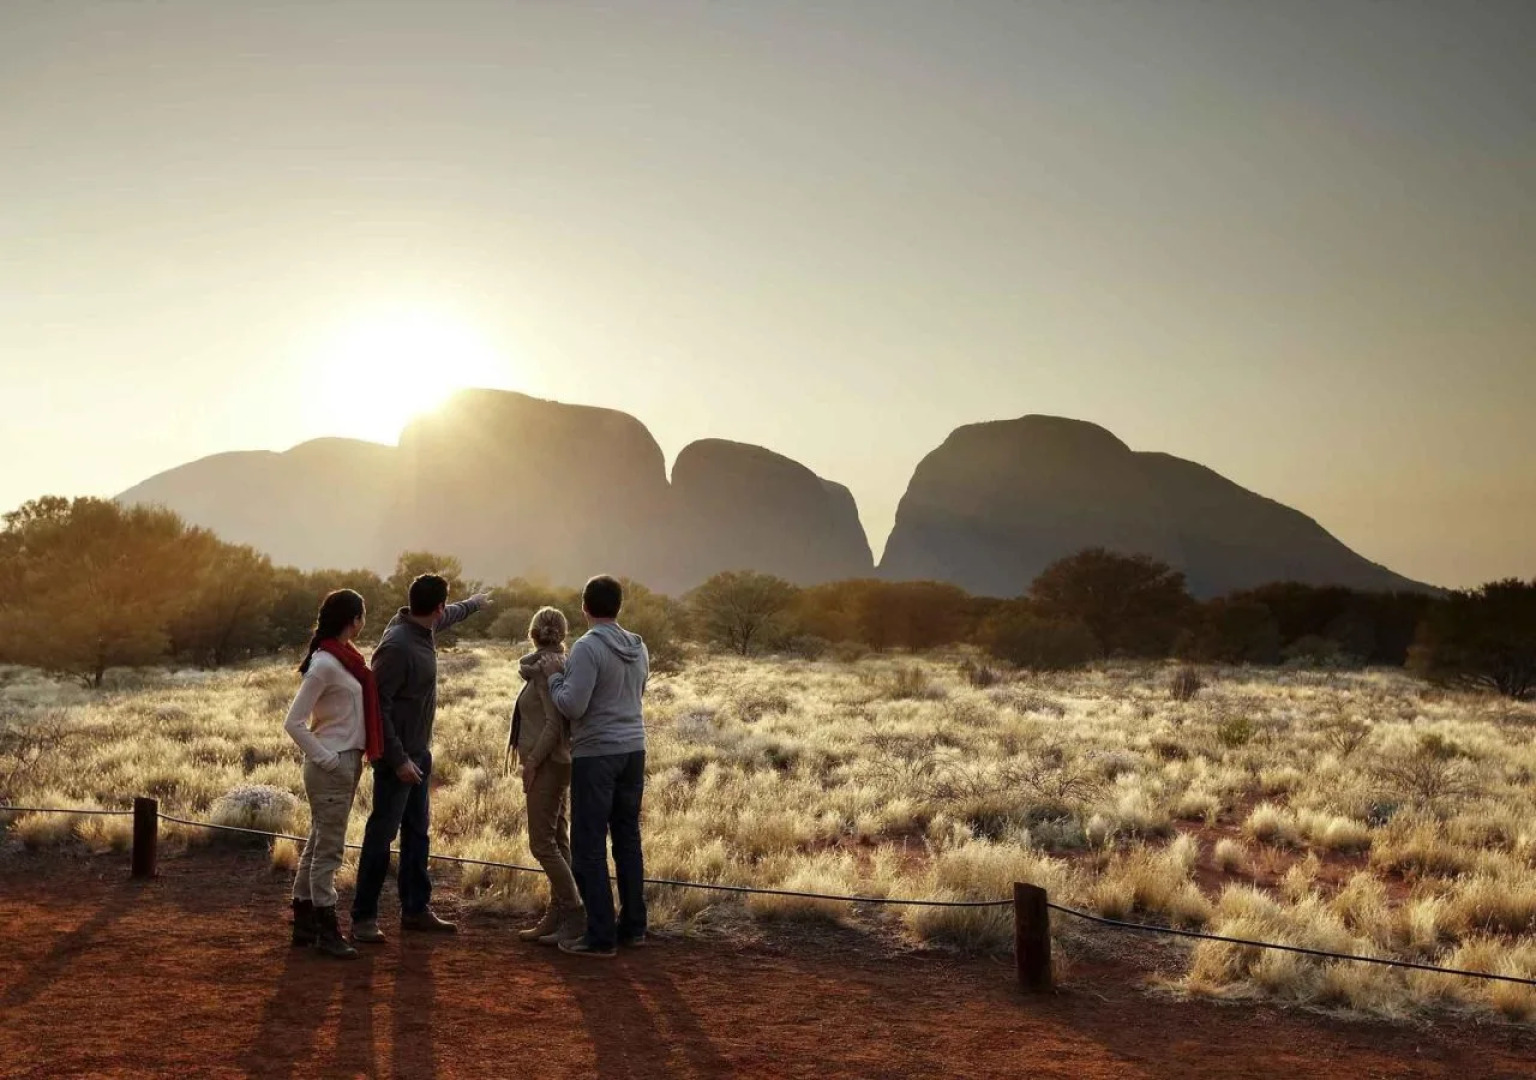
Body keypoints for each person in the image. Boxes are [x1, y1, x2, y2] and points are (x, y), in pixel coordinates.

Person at [350, 574, 492, 944]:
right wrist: (397, 760)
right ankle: (363, 917)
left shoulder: (421, 625)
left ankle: (415, 909)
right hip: (398, 759)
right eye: (446, 605)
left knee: (418, 833)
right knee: (382, 835)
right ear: (437, 606)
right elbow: (377, 708)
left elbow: (451, 615)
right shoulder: (398, 646)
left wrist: (475, 602)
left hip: (419, 753)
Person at [540, 574, 650, 958]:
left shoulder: (587, 648)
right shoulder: (638, 646)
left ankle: (600, 936)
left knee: (588, 845)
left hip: (597, 753)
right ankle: (633, 927)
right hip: (634, 750)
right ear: (618, 606)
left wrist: (555, 679)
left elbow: (573, 705)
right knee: (627, 840)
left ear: (584, 607)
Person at [282, 588, 382, 960]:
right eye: (362, 615)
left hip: (343, 762)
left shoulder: (343, 659)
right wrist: (328, 759)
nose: (363, 621)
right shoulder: (326, 663)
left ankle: (305, 923)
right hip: (333, 765)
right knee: (329, 849)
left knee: (317, 843)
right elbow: (293, 723)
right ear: (354, 620)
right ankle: (326, 929)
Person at [510, 606, 584, 945]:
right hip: (559, 760)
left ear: (532, 632)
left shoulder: (543, 670)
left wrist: (533, 762)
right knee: (557, 839)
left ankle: (574, 913)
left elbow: (554, 724)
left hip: (548, 762)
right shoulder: (559, 665)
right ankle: (557, 916)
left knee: (541, 843)